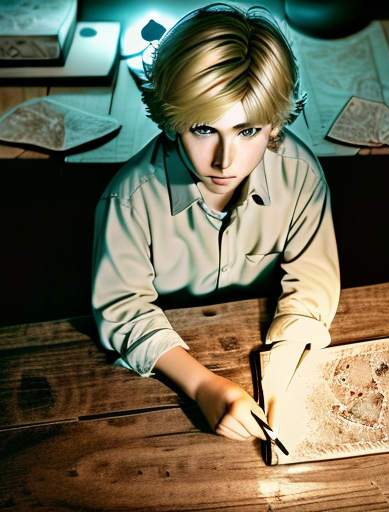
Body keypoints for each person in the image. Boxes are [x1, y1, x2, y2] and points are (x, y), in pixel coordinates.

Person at [92, 3, 340, 443]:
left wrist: (281, 372)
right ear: (172, 121)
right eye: (204, 129)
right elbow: (122, 310)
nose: (226, 160)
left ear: (275, 125)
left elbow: (313, 280)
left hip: (254, 336)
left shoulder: (301, 174)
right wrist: (203, 386)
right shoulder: (127, 200)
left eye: (248, 132)